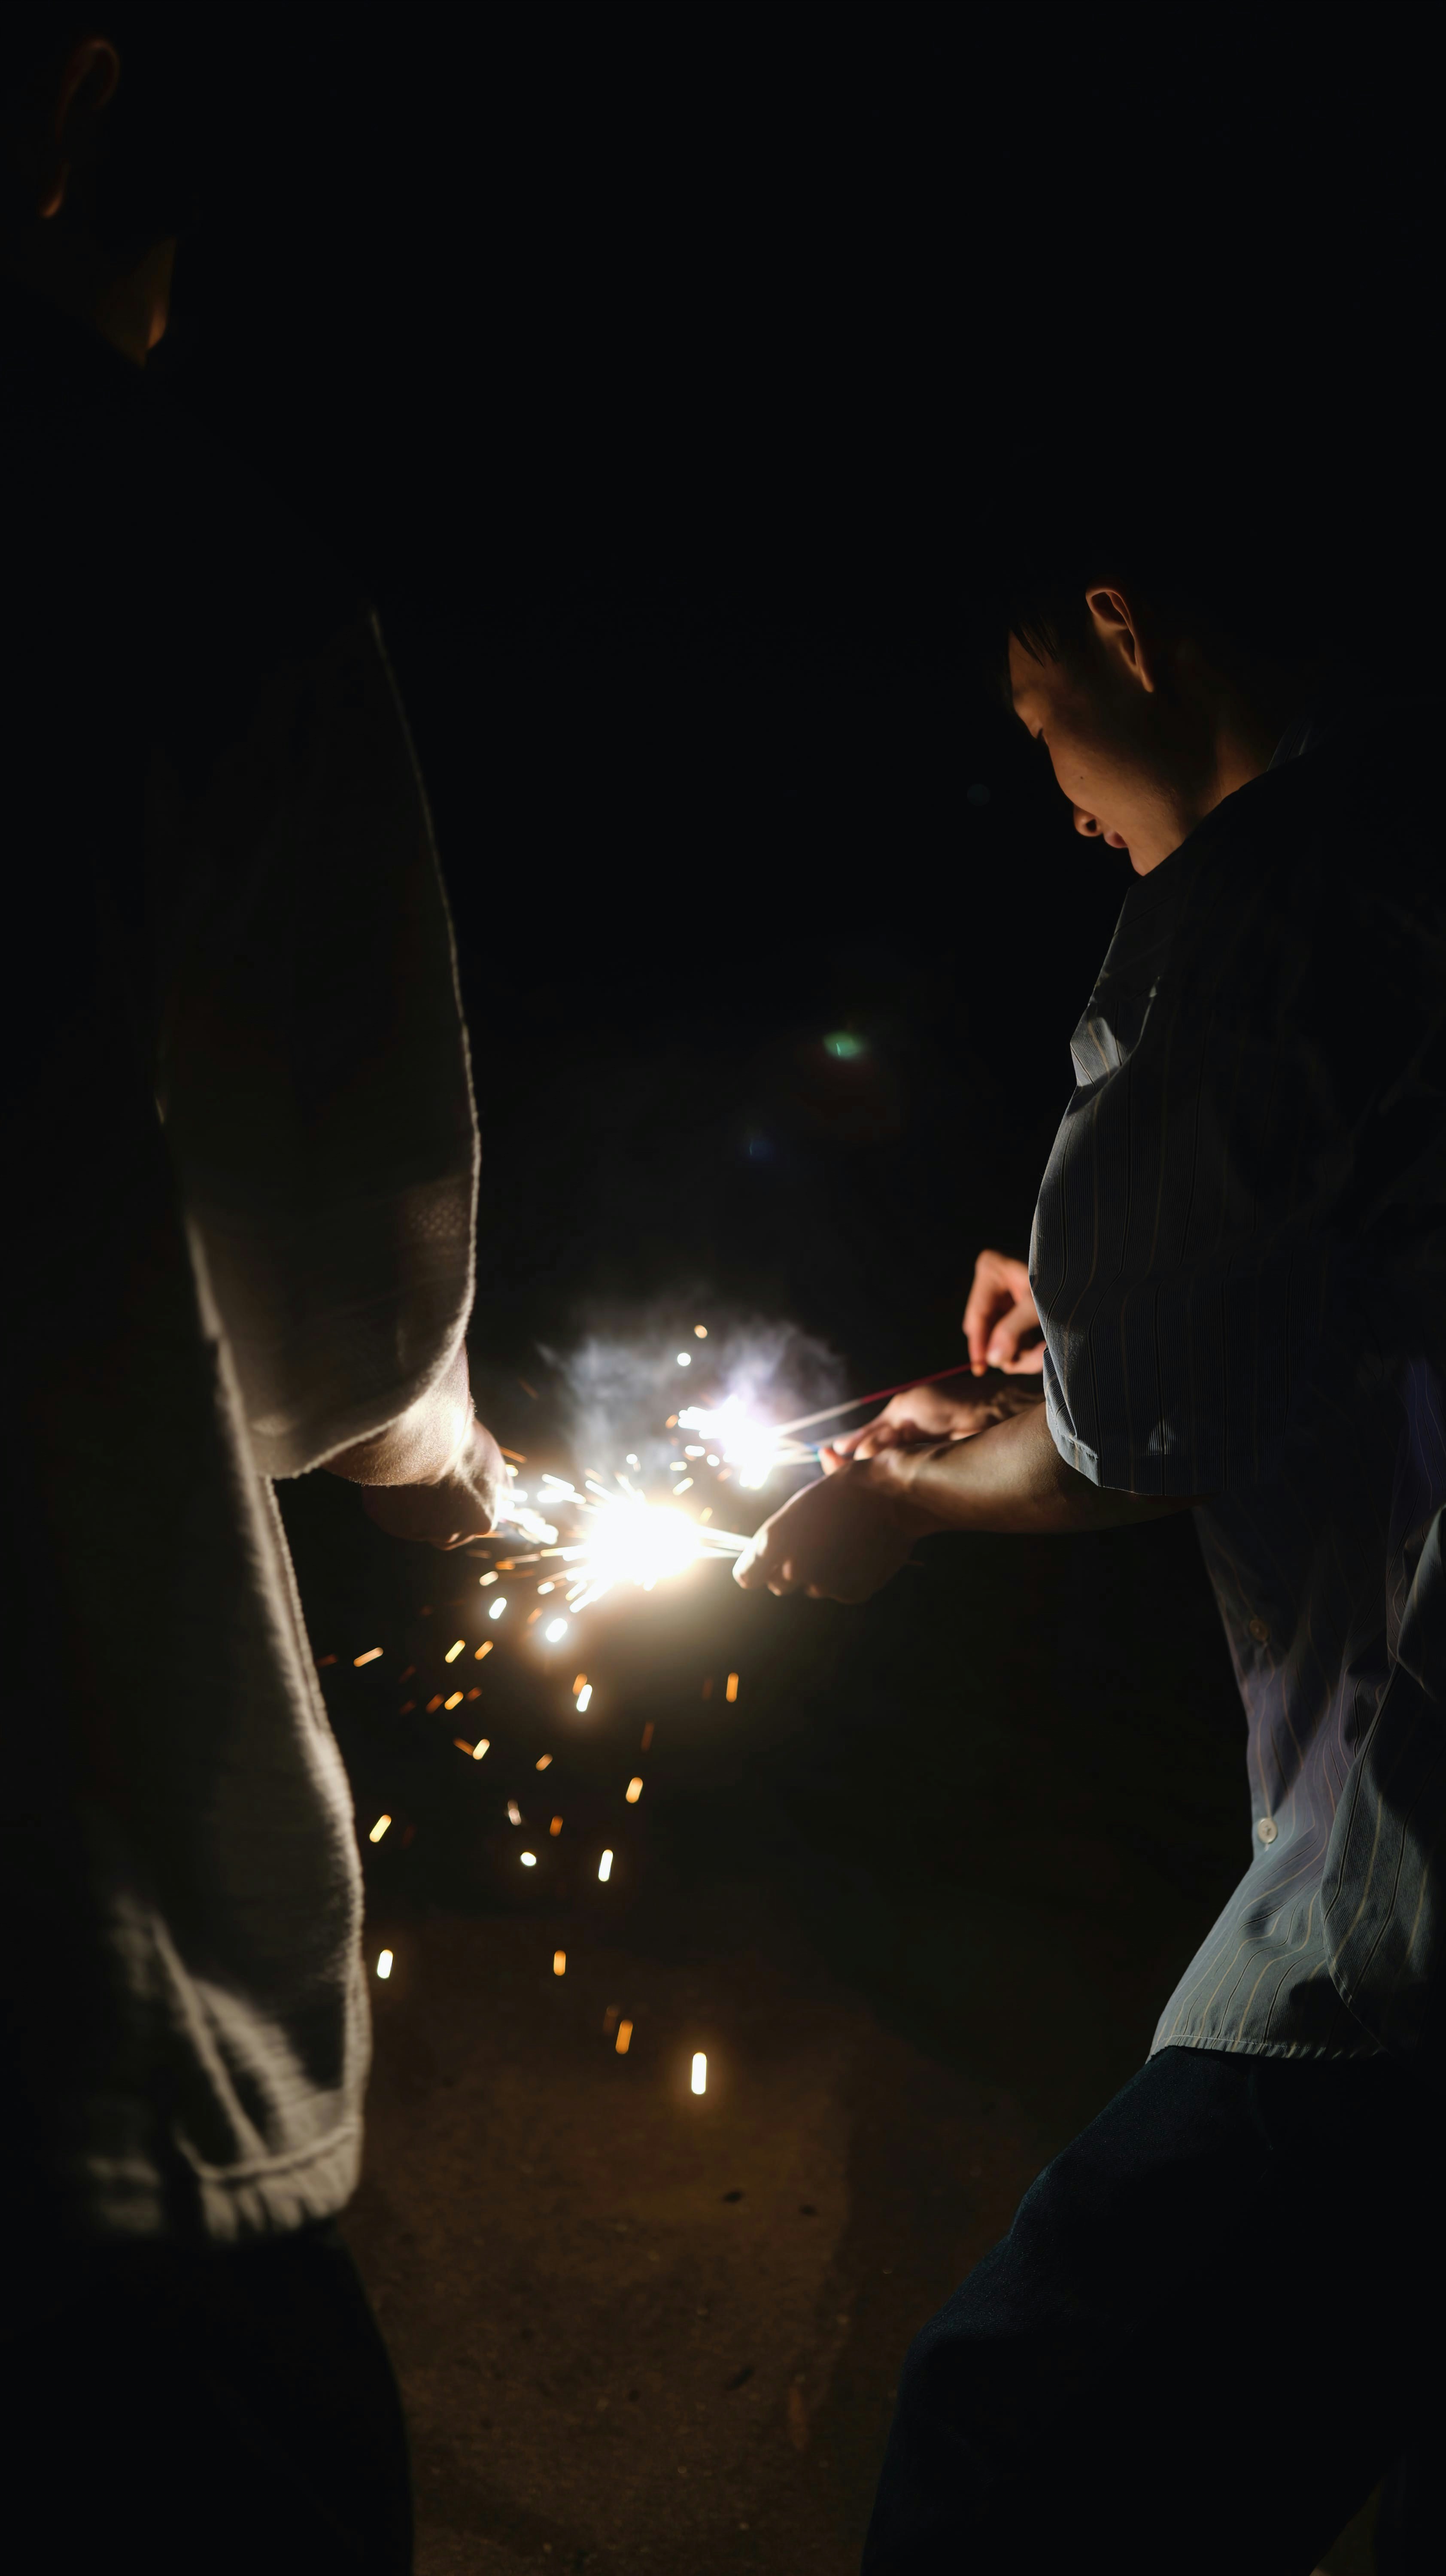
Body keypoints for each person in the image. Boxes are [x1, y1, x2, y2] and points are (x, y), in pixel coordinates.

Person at [735, 465, 1444, 2569]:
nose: (1049, 791)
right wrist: (1085, 1339)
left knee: (1013, 2452)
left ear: (1129, 630)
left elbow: (1128, 1429)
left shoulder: (1250, 902)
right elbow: (1294, 1302)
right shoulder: (1403, 838)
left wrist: (914, 1510)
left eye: (1038, 713)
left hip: (1404, 1904)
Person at [2, 23, 501, 2566]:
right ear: (68, 104)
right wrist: (451, 1459)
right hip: (76, 2013)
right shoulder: (184, 554)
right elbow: (339, 1324)